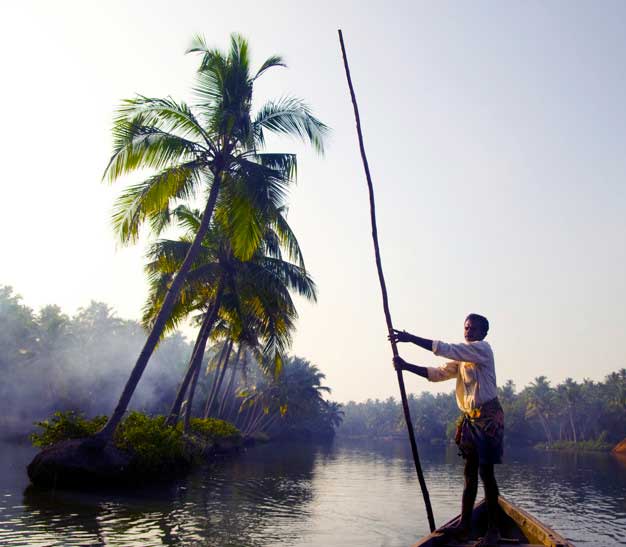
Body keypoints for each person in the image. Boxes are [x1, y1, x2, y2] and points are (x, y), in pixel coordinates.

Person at [390, 313, 503, 546]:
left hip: (488, 419)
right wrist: (405, 366)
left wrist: (410, 338)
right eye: (466, 328)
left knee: (486, 474)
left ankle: (493, 531)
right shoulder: (463, 359)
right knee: (469, 474)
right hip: (470, 420)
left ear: (483, 333)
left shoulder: (482, 349)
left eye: (473, 329)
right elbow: (438, 374)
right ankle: (464, 525)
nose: (468, 331)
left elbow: (446, 348)